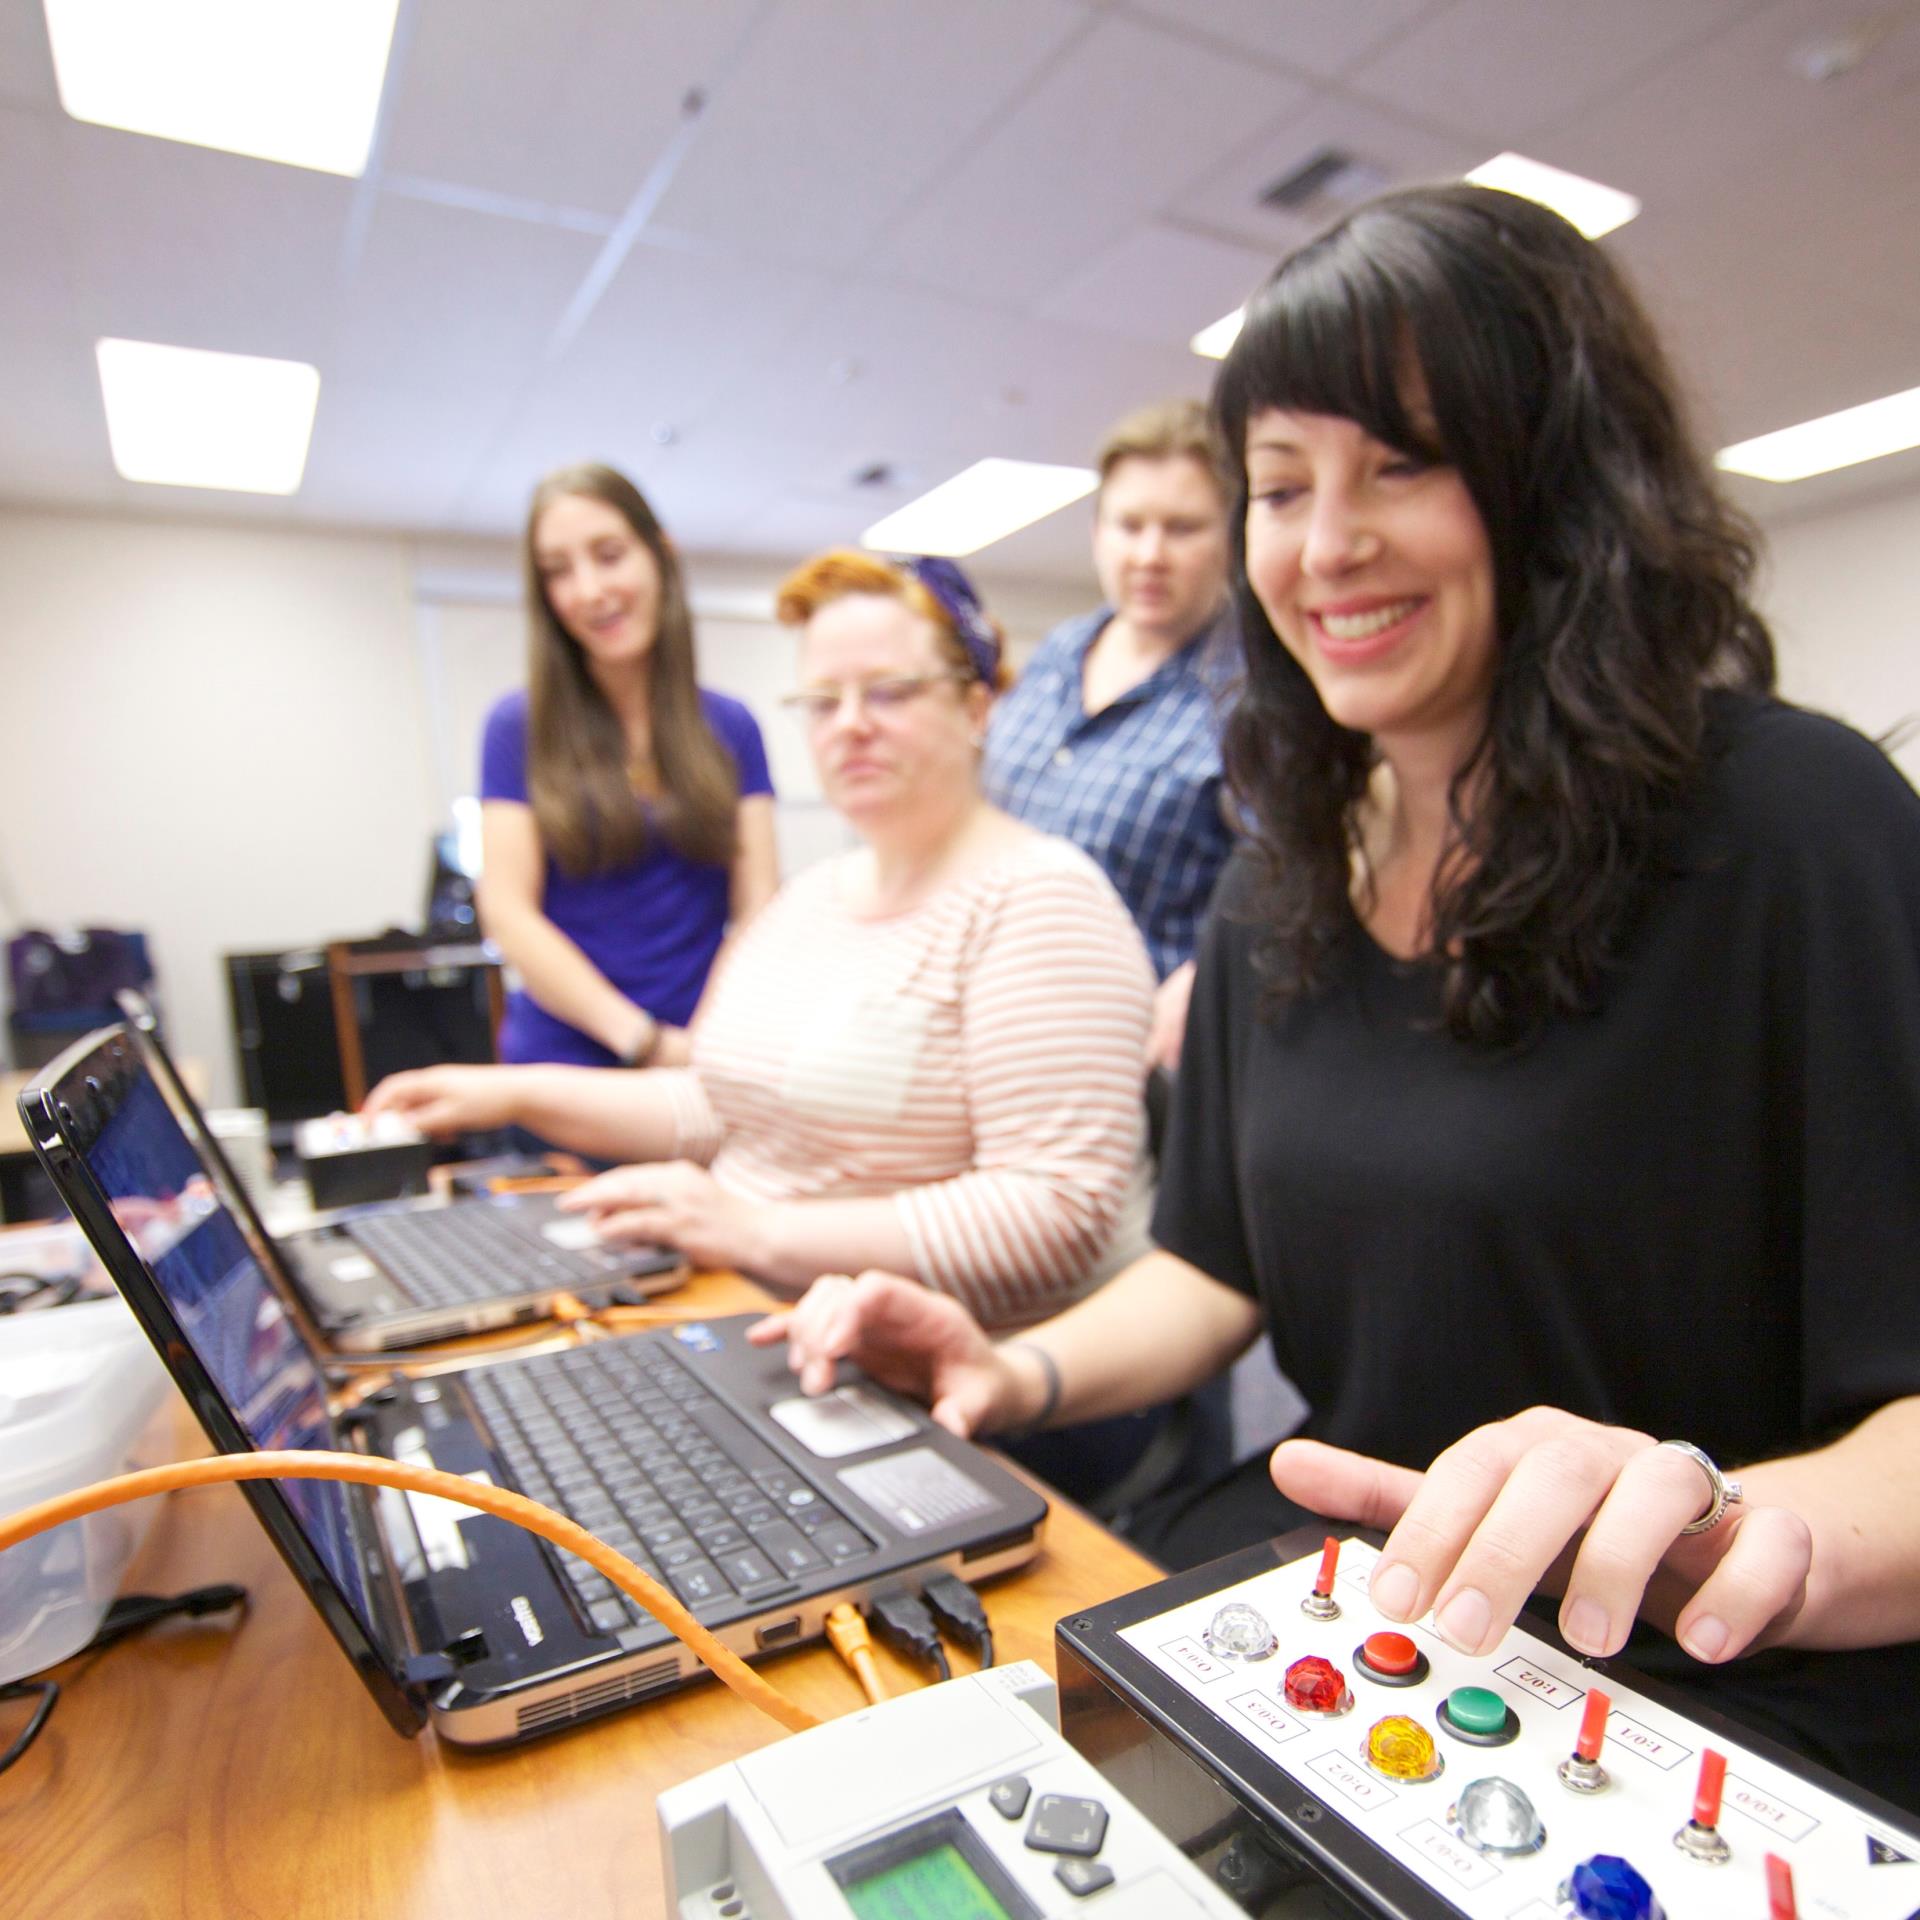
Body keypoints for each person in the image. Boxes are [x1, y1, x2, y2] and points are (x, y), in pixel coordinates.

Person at [751, 184, 1920, 1810]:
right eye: (1280, 486)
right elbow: (1212, 1267)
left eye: (1402, 465)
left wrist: (1714, 1525)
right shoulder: (1277, 878)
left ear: (1557, 489)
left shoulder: (1795, 831)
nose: (1323, 546)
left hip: (1711, 1696)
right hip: (1376, 1624)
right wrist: (1010, 1369)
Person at [370, 550, 1156, 1331]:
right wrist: (508, 1092)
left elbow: (1055, 1210)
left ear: (977, 708)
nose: (850, 725)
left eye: (889, 693)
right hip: (745, 1309)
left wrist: (753, 1230)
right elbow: (722, 1102)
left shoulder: (1040, 899)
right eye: (821, 701)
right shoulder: (807, 901)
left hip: (929, 1367)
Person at [477, 463, 778, 1072]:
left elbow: (757, 906)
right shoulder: (517, 728)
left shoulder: (733, 728)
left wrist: (702, 1044)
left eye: (609, 555)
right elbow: (508, 910)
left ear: (660, 556)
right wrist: (643, 1041)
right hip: (564, 1070)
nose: (589, 591)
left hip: (707, 1058)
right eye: (558, 571)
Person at [983, 400, 1236, 1070]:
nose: (1150, 555)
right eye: (1130, 525)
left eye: (1183, 528)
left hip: (1136, 1063)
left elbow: (1292, 885)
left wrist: (1209, 978)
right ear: (1098, 533)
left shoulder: (1251, 692)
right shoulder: (1055, 656)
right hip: (993, 1034)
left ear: (1231, 537)